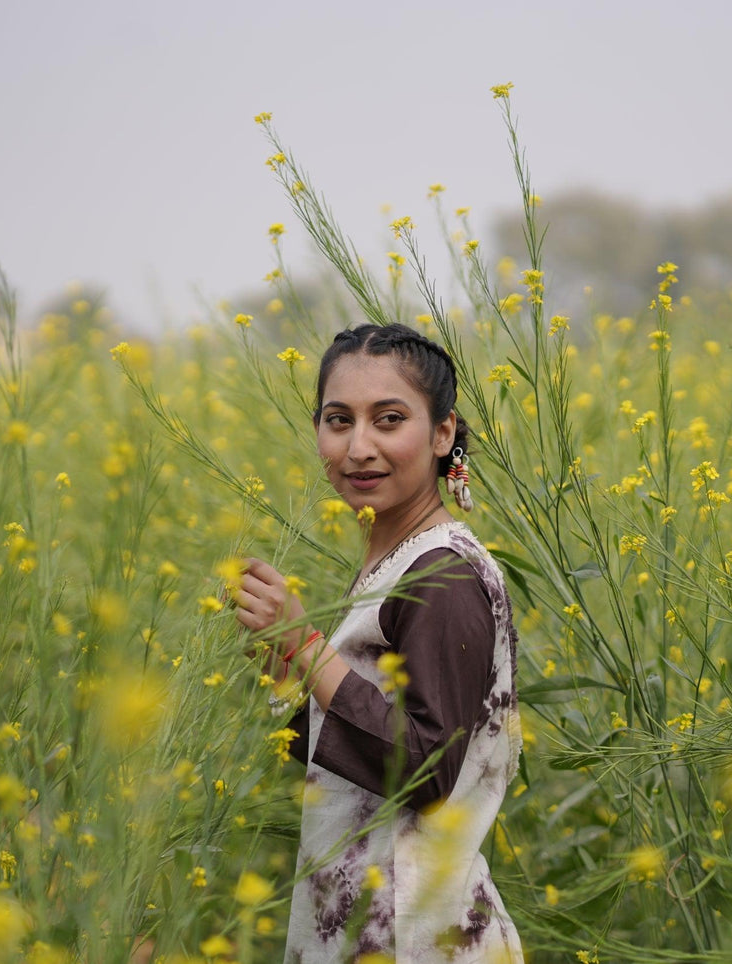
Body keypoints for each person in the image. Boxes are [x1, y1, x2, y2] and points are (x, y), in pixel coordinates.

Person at [233, 323, 523, 962]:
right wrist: (289, 667)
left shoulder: (443, 574)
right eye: (339, 421)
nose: (359, 446)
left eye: (388, 419)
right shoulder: (400, 561)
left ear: (443, 433)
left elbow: (424, 770)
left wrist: (308, 645)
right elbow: (359, 763)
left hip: (417, 938)